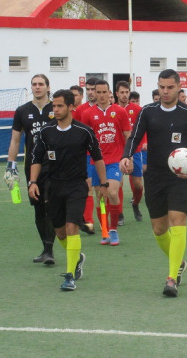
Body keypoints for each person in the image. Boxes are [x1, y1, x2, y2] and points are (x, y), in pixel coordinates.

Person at [120, 69, 187, 297]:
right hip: (155, 176)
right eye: (162, 87)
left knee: (178, 220)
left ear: (179, 88)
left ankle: (171, 278)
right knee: (159, 229)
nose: (165, 91)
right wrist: (126, 156)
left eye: (170, 87)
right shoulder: (147, 112)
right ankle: (178, 262)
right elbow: (134, 138)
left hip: (181, 178)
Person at [28, 89, 108, 291]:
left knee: (72, 227)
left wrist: (103, 184)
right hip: (53, 187)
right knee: (60, 232)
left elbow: (98, 158)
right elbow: (36, 159)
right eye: (53, 106)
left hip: (76, 186)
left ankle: (70, 275)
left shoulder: (84, 132)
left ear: (71, 107)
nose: (55, 109)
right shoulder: (46, 132)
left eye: (60, 106)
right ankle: (77, 257)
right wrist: (33, 182)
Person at [4, 74, 56, 265]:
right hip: (32, 167)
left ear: (48, 87)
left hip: (53, 166)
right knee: (38, 208)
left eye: (41, 84)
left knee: (51, 206)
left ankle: (50, 250)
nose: (37, 87)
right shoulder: (22, 111)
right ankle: (45, 247)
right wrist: (11, 166)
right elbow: (16, 140)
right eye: (34, 84)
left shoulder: (56, 108)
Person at [81, 80, 131, 246]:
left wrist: (128, 157)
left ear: (110, 93)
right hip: (96, 162)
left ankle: (114, 229)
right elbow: (84, 141)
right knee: (100, 196)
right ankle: (104, 229)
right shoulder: (88, 114)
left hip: (115, 161)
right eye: (98, 92)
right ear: (94, 93)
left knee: (113, 193)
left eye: (104, 92)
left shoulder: (120, 112)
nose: (101, 96)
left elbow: (128, 136)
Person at [72, 77, 99, 235]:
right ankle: (89, 221)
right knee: (88, 186)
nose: (90, 92)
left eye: (93, 89)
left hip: (106, 155)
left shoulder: (110, 109)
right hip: (87, 155)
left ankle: (111, 219)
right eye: (88, 89)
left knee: (103, 190)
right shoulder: (80, 110)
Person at [116, 81, 144, 222]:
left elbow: (143, 128)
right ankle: (119, 213)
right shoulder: (112, 110)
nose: (125, 95)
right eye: (122, 92)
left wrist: (144, 141)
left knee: (138, 185)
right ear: (117, 94)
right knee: (118, 183)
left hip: (135, 151)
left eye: (127, 92)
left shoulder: (138, 109)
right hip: (117, 153)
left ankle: (135, 204)